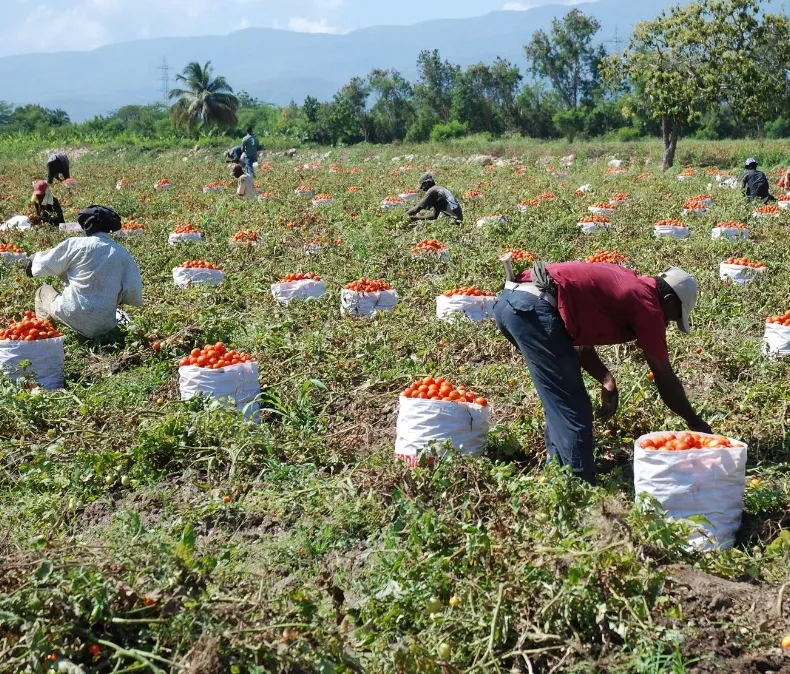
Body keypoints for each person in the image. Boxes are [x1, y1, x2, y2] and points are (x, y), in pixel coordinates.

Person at [494, 261, 711, 485]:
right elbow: (663, 376)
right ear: (668, 300)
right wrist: (694, 422)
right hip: (533, 310)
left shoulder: (626, 282)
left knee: (558, 398)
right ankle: (579, 491)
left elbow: (581, 344)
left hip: (511, 303)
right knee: (573, 409)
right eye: (674, 316)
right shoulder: (648, 306)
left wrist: (606, 380)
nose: (667, 323)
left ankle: (557, 473)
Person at [26, 205, 143, 340]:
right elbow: (133, 296)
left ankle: (47, 337)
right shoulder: (123, 255)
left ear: (85, 226)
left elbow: (41, 267)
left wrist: (34, 260)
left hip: (71, 312)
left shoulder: (76, 244)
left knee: (43, 291)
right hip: (104, 324)